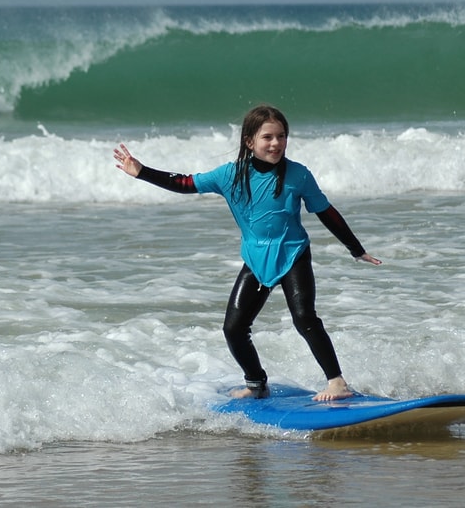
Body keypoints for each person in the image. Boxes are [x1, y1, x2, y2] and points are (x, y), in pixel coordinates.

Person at [113, 105, 381, 402]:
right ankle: (256, 384)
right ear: (249, 141)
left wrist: (356, 249)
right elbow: (186, 183)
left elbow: (325, 211)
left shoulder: (298, 175)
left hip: (293, 255)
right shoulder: (230, 175)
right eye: (268, 137)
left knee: (305, 318)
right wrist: (141, 172)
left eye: (281, 136)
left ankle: (337, 383)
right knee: (233, 329)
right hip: (256, 260)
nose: (276, 143)